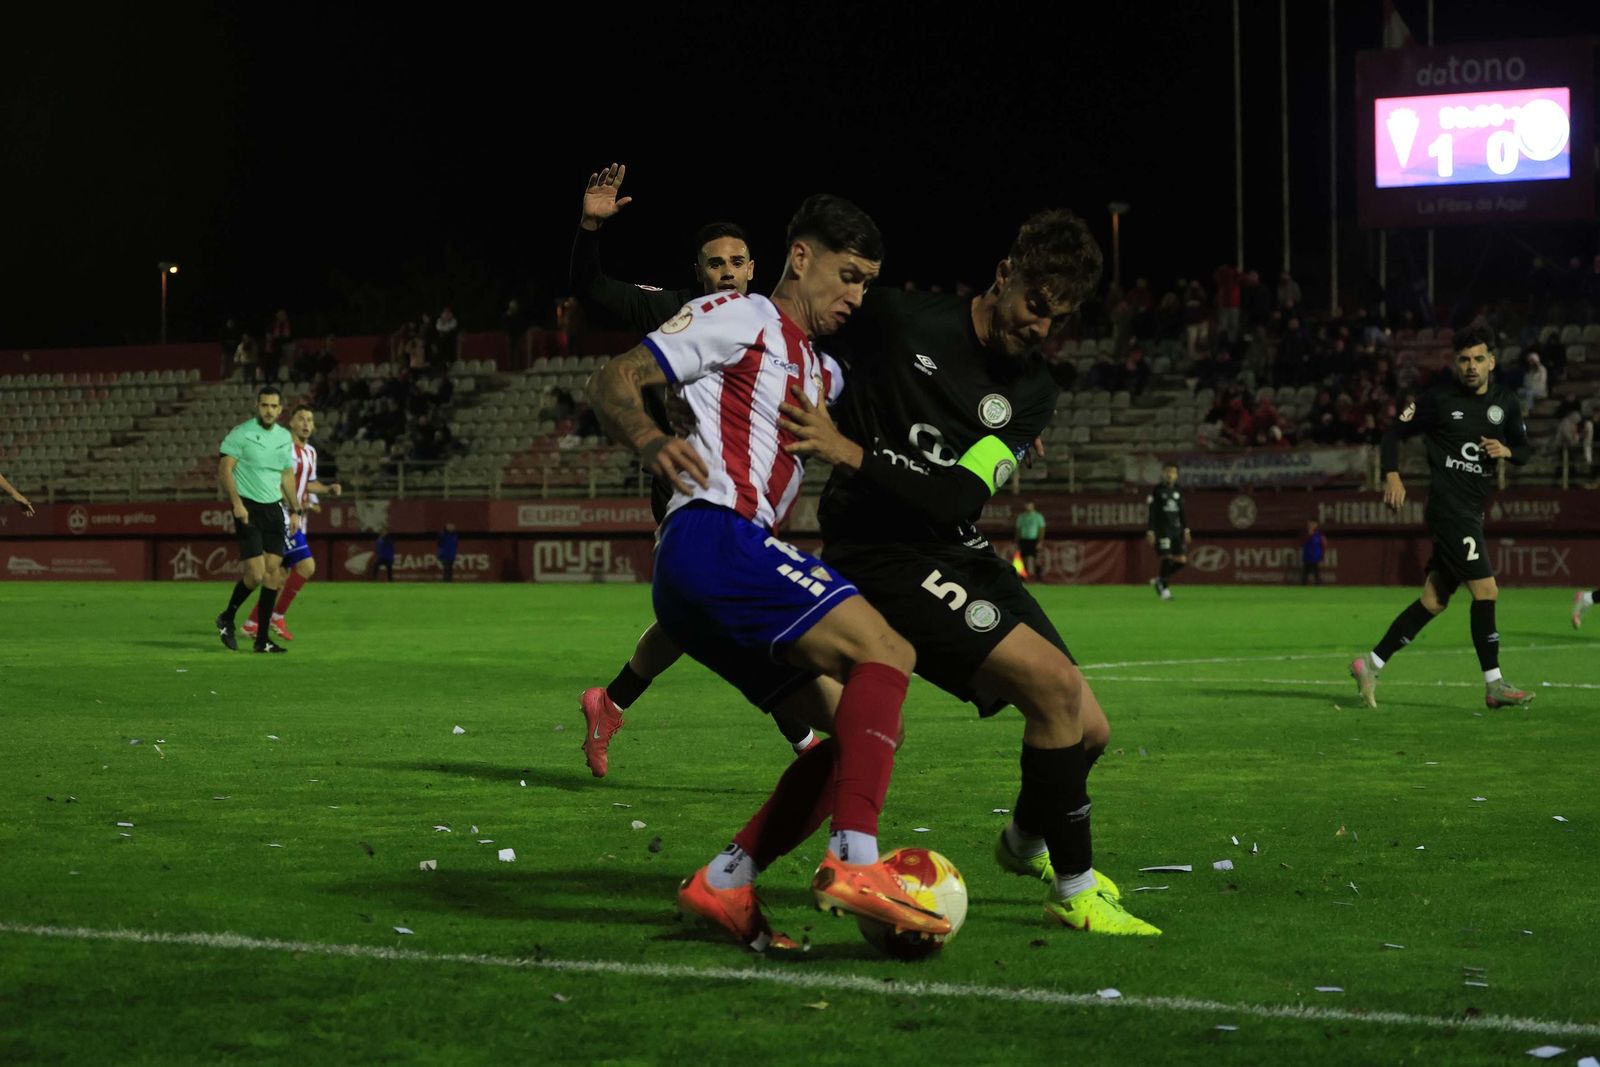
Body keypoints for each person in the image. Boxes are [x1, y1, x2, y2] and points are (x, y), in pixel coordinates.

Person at [585, 193, 950, 952]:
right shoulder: (742, 315)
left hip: (714, 578)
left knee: (860, 729)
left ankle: (726, 880)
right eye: (847, 276)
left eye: (866, 284)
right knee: (890, 652)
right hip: (714, 538)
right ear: (802, 258)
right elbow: (614, 378)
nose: (855, 297)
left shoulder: (824, 372)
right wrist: (654, 441)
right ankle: (855, 861)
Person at [780, 208, 1158, 936]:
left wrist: (849, 448)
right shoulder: (900, 319)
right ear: (1005, 273)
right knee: (1052, 685)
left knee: (1090, 730)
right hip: (880, 550)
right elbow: (806, 322)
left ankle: (1022, 844)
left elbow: (959, 494)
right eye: (1036, 308)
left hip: (953, 544)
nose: (1043, 329)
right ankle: (1074, 888)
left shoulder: (1032, 391)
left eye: (1060, 318)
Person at [569, 161, 817, 773]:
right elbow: (592, 290)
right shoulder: (673, 312)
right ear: (698, 271)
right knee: (741, 608)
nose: (727, 272)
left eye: (737, 262)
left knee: (694, 617)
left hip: (750, 491)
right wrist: (589, 229)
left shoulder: (769, 324)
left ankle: (611, 702)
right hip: (688, 489)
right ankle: (808, 746)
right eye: (715, 264)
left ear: (754, 268)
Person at [1350, 326, 1535, 710]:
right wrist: (1392, 474)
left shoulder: (1506, 402)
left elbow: (1525, 450)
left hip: (1472, 509)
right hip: (1449, 509)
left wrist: (1506, 450)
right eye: (1464, 359)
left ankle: (1370, 664)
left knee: (1433, 601)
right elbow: (1391, 434)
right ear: (1456, 363)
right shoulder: (1436, 400)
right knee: (1486, 591)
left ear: (1492, 362)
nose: (1471, 366)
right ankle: (1494, 685)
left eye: (1479, 359)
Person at [243, 405, 341, 642]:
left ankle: (251, 623)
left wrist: (327, 489)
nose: (306, 423)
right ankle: (276, 616)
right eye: (301, 419)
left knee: (278, 575)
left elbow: (308, 483)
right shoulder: (284, 449)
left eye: (310, 419)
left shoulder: (311, 453)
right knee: (307, 566)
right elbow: (275, 480)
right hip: (280, 516)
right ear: (292, 423)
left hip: (293, 517)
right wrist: (293, 508)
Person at [214, 386, 299, 654]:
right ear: (257, 406)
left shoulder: (285, 438)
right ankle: (227, 616)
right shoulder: (242, 433)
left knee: (274, 570)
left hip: (274, 508)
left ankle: (262, 640)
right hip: (248, 507)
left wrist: (295, 509)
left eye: (274, 406)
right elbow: (225, 469)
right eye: (265, 405)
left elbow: (286, 475)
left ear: (280, 409)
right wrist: (236, 503)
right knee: (256, 573)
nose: (269, 411)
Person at [1146, 463, 1189, 600]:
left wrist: (1186, 529)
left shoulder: (1178, 491)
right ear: (1163, 473)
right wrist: (1150, 531)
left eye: (1173, 472)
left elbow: (1182, 512)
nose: (1170, 474)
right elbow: (1152, 512)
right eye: (1167, 472)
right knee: (1167, 557)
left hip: (1176, 530)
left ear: (1176, 475)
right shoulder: (1157, 491)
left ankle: (1160, 579)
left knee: (1181, 561)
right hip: (1162, 530)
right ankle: (1164, 590)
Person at [1014, 501, 1045, 580]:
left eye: (1030, 505)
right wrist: (1017, 541)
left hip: (1034, 540)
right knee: (1024, 559)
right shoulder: (1021, 517)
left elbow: (1041, 529)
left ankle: (1038, 576)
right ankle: (1024, 576)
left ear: (1033, 506)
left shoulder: (1038, 516)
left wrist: (1040, 541)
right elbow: (1018, 529)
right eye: (1027, 505)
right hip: (1024, 539)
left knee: (1036, 559)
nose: (1028, 506)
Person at [1301, 519, 1327, 585]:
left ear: (1316, 525)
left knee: (1317, 575)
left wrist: (1321, 556)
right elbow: (1302, 543)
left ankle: (1318, 590)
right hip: (1307, 558)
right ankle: (1302, 591)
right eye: (1310, 524)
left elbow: (1324, 546)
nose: (1311, 525)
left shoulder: (1319, 535)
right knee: (1304, 576)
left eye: (1313, 524)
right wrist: (1309, 535)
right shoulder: (1304, 534)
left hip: (1316, 558)